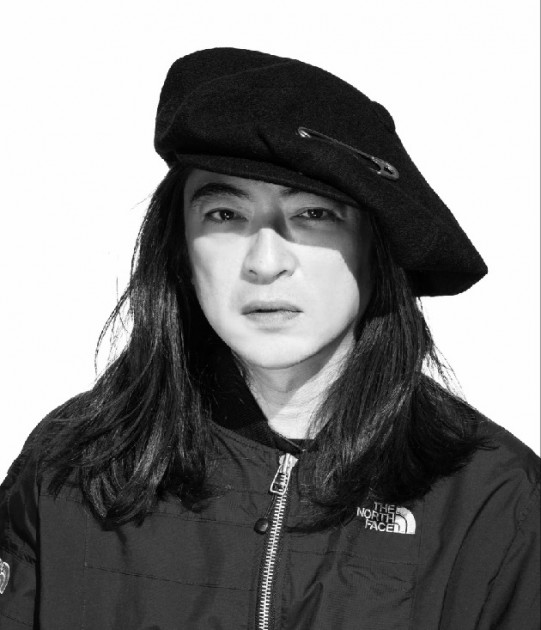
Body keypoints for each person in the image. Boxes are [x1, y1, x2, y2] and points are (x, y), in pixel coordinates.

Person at [0, 47, 539, 630]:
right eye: (225, 215)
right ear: (179, 249)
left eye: (314, 214)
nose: (264, 261)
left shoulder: (496, 499)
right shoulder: (71, 467)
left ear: (376, 247)